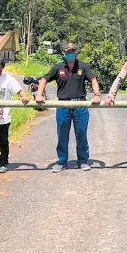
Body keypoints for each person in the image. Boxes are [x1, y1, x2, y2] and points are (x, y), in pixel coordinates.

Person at [35, 42, 101, 172]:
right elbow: (43, 80)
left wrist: (97, 95)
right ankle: (62, 161)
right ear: (63, 53)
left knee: (81, 133)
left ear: (76, 53)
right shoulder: (58, 67)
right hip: (63, 105)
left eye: (73, 51)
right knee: (62, 134)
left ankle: (83, 160)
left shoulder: (83, 66)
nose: (71, 54)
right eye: (68, 52)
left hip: (80, 105)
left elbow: (93, 80)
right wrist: (39, 95)